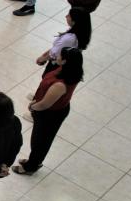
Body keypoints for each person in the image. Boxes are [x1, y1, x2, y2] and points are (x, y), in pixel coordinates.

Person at [14, 47, 83, 175]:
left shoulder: (60, 85)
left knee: (40, 141)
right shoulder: (69, 71)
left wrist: (32, 106)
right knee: (40, 139)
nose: (58, 56)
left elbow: (45, 104)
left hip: (50, 114)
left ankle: (31, 166)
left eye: (60, 56)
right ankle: (34, 160)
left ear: (65, 61)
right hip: (52, 110)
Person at [35, 8, 91, 76]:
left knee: (47, 80)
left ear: (74, 21)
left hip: (57, 66)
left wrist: (42, 59)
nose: (66, 16)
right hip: (67, 63)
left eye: (69, 15)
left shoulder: (69, 39)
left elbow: (54, 54)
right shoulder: (81, 32)